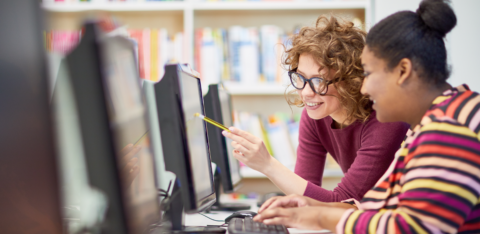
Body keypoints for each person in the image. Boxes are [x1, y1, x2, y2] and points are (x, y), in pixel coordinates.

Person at [253, 0, 480, 233]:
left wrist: (321, 216)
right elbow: (385, 208)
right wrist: (312, 207)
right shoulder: (430, 124)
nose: (363, 88)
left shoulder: (449, 128)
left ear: (403, 71)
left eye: (369, 74)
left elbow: (410, 227)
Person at [222, 15, 409, 202]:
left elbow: (344, 202)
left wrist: (269, 165)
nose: (306, 93)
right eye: (301, 77)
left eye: (318, 81)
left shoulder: (386, 120)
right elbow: (305, 194)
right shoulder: (314, 117)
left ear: (351, 81)